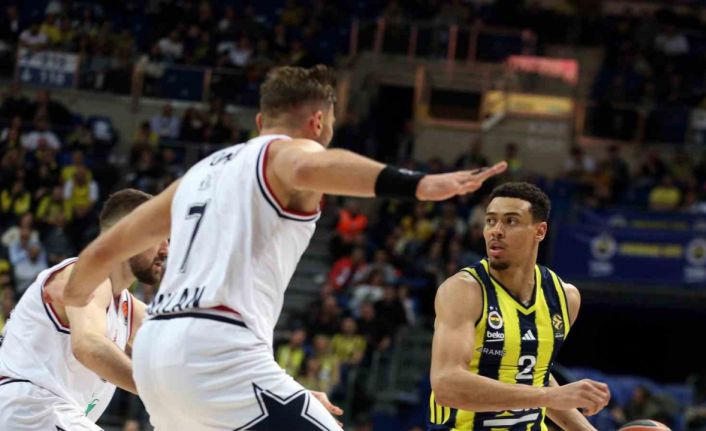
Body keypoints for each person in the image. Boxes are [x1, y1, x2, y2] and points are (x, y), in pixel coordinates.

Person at [63, 65, 507, 430]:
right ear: (318, 123)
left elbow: (106, 249)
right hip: (216, 346)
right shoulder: (283, 154)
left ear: (260, 120)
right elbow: (313, 165)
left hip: (155, 355)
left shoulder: (196, 175)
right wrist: (419, 184)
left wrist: (75, 294)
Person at [428, 182, 610, 430]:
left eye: (510, 221)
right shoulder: (464, 291)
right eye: (490, 221)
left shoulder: (564, 298)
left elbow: (538, 375)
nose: (496, 231)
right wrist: (548, 397)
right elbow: (446, 385)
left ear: (540, 231)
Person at [0, 189, 168, 430]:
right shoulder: (85, 277)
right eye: (158, 236)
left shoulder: (126, 307)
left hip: (43, 414)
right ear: (127, 233)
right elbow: (88, 345)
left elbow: (174, 346)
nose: (165, 249)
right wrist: (159, 392)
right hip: (28, 408)